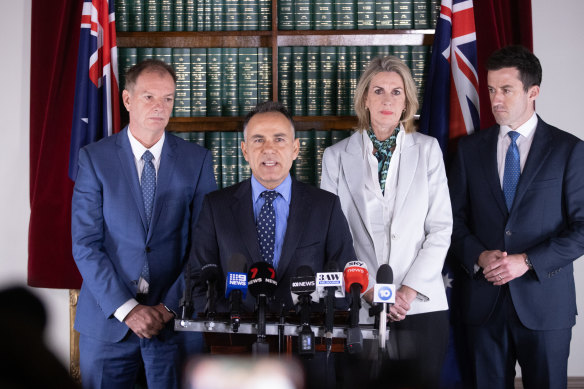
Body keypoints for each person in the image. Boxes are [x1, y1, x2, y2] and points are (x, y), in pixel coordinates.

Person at [190, 101, 356, 388]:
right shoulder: (216, 207)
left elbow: (345, 285)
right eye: (258, 140)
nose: (269, 149)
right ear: (244, 150)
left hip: (308, 355)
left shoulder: (325, 206)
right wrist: (238, 320)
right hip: (235, 355)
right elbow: (197, 282)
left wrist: (302, 314)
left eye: (279, 139)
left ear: (295, 148)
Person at [71, 59, 216, 389]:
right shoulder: (94, 159)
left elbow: (205, 245)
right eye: (149, 97)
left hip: (176, 321)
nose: (160, 107)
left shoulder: (197, 160)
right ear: (127, 100)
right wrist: (128, 310)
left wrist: (166, 308)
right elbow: (85, 244)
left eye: (168, 98)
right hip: (109, 325)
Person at [449, 45, 584, 389]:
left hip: (545, 305)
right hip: (483, 303)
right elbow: (453, 221)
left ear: (533, 91)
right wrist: (478, 255)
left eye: (506, 90)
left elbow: (582, 228)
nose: (495, 100)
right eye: (491, 90)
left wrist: (527, 261)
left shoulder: (569, 150)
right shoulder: (468, 150)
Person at [320, 55, 452, 388]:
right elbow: (334, 236)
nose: (387, 99)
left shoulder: (428, 150)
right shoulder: (336, 156)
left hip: (420, 305)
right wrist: (366, 289)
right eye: (378, 90)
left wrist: (407, 291)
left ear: (407, 100)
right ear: (365, 98)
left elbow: (440, 229)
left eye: (396, 92)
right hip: (358, 303)